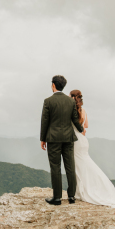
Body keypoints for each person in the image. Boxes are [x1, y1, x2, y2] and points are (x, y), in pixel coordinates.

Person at [69, 89, 115, 211]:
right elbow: (86, 126)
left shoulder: (71, 111)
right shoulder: (83, 110)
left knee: (78, 166)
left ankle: (82, 191)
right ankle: (91, 188)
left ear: (72, 98)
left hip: (75, 141)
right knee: (85, 163)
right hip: (83, 141)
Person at [40, 75, 84, 206]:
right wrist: (81, 130)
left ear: (53, 85)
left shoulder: (48, 101)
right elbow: (75, 120)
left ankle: (57, 198)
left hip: (53, 138)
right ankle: (71, 196)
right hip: (68, 138)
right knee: (70, 167)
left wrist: (43, 139)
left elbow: (45, 121)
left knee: (55, 167)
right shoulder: (70, 101)